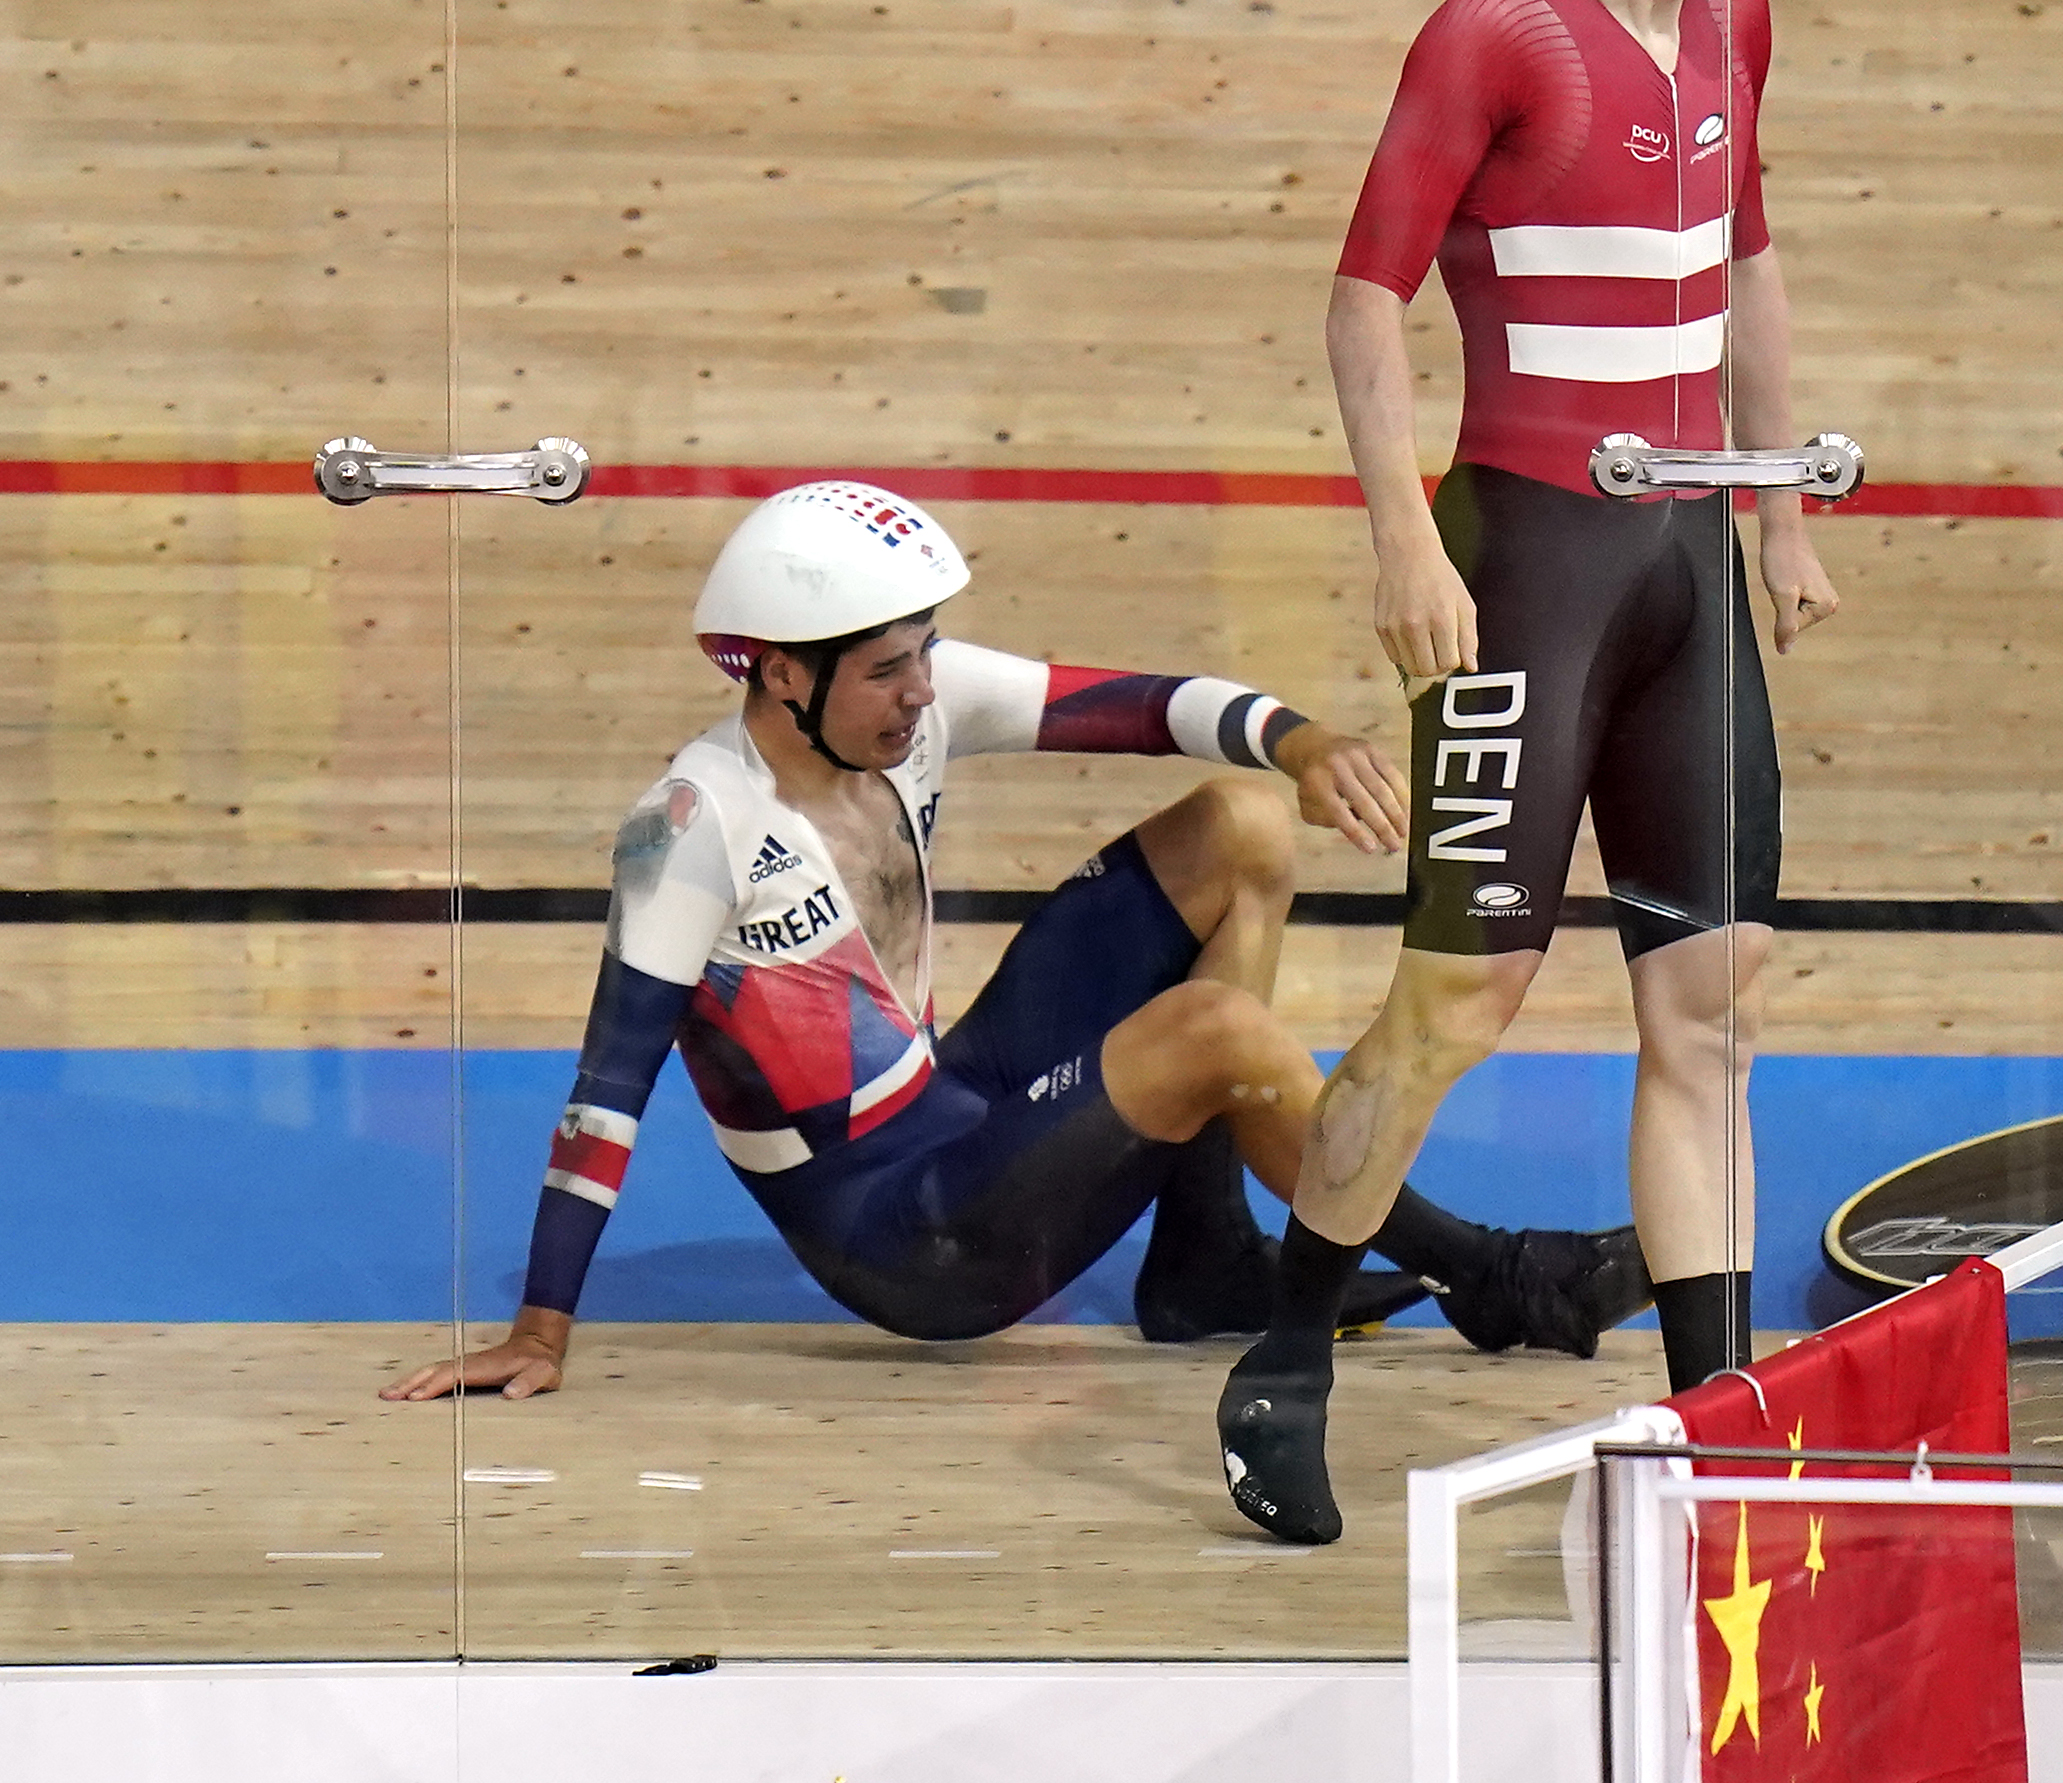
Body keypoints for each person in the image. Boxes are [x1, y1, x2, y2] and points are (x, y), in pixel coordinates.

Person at [383, 480, 1646, 1408]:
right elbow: (607, 1090)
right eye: (889, 671)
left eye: (925, 656)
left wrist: (1302, 743)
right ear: (780, 676)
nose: (925, 690)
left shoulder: (899, 704)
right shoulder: (690, 829)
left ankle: (1203, 1259)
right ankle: (1490, 1275)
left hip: (954, 1100)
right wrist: (540, 1330)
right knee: (1213, 1033)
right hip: (910, 1240)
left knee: (1241, 823)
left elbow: (1155, 706)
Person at [1212, 0, 1837, 1547]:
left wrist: (1781, 506)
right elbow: (1364, 299)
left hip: (1685, 556)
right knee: (1459, 1000)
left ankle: (1719, 1423)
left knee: (1711, 1003)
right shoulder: (1495, 34)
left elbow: (1747, 259)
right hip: (1532, 564)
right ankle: (1288, 1349)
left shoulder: (1738, 21)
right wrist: (1406, 539)